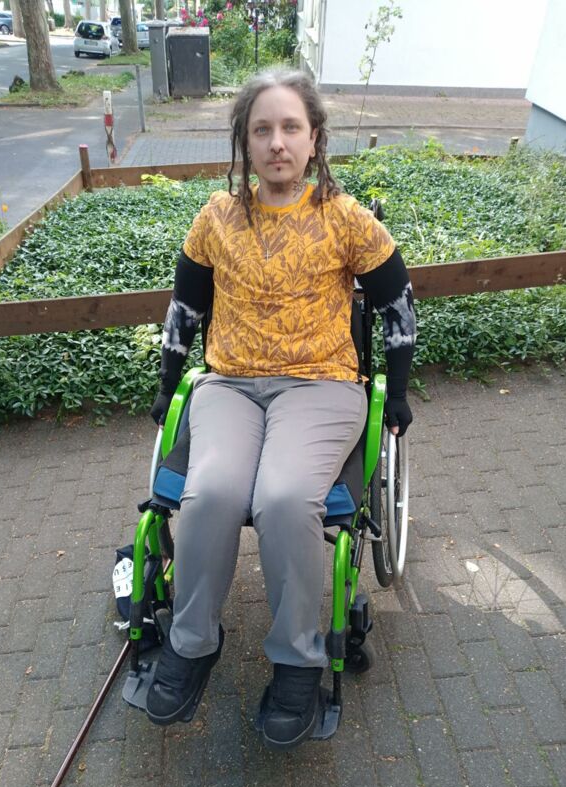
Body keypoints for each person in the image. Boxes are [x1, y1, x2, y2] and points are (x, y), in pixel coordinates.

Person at [147, 68, 416, 751]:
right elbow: (184, 309)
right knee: (210, 493)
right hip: (231, 384)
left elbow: (397, 306)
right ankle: (192, 642)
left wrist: (397, 393)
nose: (276, 142)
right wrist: (169, 383)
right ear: (244, 141)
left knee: (286, 496)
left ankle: (298, 660)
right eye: (261, 129)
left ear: (314, 137)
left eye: (291, 127)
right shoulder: (216, 217)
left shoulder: (346, 219)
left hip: (320, 386)